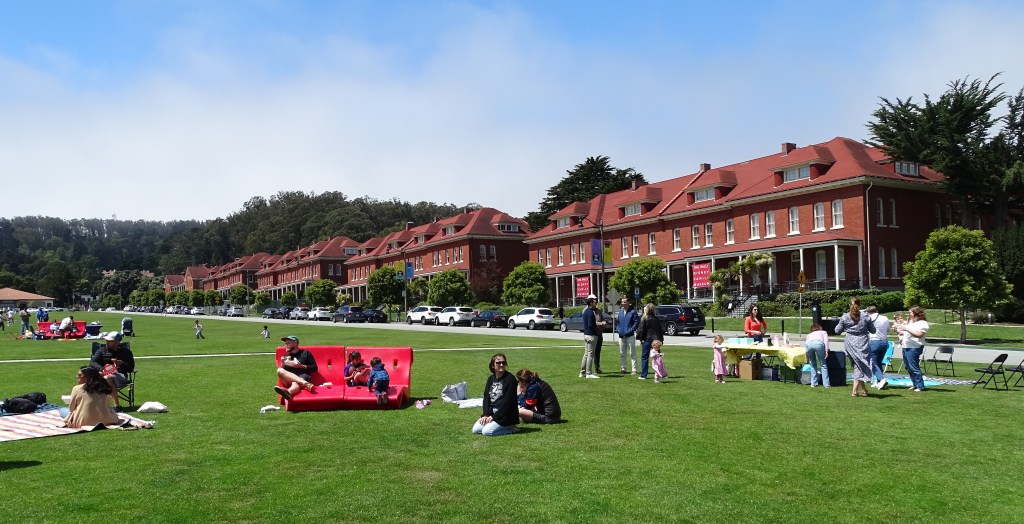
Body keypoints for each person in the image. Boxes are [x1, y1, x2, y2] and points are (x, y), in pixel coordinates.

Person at [834, 297, 876, 397]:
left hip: (850, 343)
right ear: (859, 305)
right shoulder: (865, 316)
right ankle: (854, 391)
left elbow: (837, 331)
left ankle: (864, 389)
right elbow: (873, 330)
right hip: (862, 343)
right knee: (859, 365)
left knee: (858, 365)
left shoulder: (845, 317)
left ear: (849, 305)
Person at [472, 353, 519, 436]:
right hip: (492, 412)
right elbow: (486, 398)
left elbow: (507, 403)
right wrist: (485, 415)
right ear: (492, 365)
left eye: (503, 363)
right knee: (475, 430)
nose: (501, 365)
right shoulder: (491, 379)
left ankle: (511, 428)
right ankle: (497, 425)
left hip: (506, 414)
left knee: (486, 432)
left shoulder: (510, 379)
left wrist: (494, 417)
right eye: (498, 363)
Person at [89, 331, 135, 412]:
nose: (107, 342)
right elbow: (92, 362)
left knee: (108, 378)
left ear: (117, 342)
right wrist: (102, 369)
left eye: (109, 341)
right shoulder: (102, 350)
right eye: (107, 340)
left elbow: (131, 368)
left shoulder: (126, 352)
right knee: (98, 377)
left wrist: (122, 364)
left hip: (119, 375)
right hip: (102, 374)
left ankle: (117, 406)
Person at [896, 306, 930, 392]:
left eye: (910, 312)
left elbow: (919, 335)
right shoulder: (911, 322)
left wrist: (906, 328)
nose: (909, 314)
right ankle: (915, 384)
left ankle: (920, 386)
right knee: (908, 367)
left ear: (916, 313)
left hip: (914, 347)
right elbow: (907, 332)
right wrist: (900, 332)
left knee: (914, 367)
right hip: (906, 346)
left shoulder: (922, 323)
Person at [274, 335, 317, 401]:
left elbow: (314, 368)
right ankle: (306, 384)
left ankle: (288, 393)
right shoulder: (286, 356)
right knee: (279, 370)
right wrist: (283, 363)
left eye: (288, 343)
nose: (286, 345)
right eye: (286, 344)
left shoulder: (306, 353)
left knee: (295, 383)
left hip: (302, 376)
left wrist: (301, 366)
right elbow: (284, 372)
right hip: (290, 380)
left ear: (295, 343)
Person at [636, 303, 665, 380]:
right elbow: (660, 330)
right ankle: (660, 373)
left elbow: (641, 330)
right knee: (657, 358)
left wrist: (640, 339)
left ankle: (643, 375)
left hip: (647, 340)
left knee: (644, 357)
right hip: (656, 340)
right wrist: (661, 340)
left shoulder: (644, 318)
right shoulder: (656, 319)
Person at [865, 306, 890, 389]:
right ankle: (879, 382)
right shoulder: (885, 318)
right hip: (884, 342)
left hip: (874, 341)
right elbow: (888, 330)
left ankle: (881, 379)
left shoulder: (869, 318)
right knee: (879, 362)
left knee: (873, 363)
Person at [578, 297, 601, 378]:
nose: (596, 303)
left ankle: (582, 372)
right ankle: (589, 373)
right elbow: (591, 325)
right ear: (591, 303)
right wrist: (596, 330)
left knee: (586, 354)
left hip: (586, 334)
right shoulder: (591, 312)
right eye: (594, 302)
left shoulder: (585, 311)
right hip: (591, 335)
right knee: (590, 354)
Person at [616, 297, 640, 374]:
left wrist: (631, 330)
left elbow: (636, 322)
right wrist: (618, 330)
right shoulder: (620, 312)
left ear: (628, 302)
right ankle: (623, 369)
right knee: (622, 353)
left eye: (625, 302)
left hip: (630, 336)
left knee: (632, 353)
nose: (623, 303)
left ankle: (634, 369)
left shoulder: (633, 312)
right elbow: (617, 323)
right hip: (621, 336)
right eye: (622, 302)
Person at [804, 323, 831, 388]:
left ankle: (813, 383)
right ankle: (826, 384)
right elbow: (826, 341)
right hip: (818, 343)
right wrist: (826, 351)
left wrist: (806, 356)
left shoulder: (809, 335)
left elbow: (806, 344)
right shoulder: (823, 332)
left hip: (809, 345)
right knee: (823, 364)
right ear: (819, 328)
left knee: (813, 364)